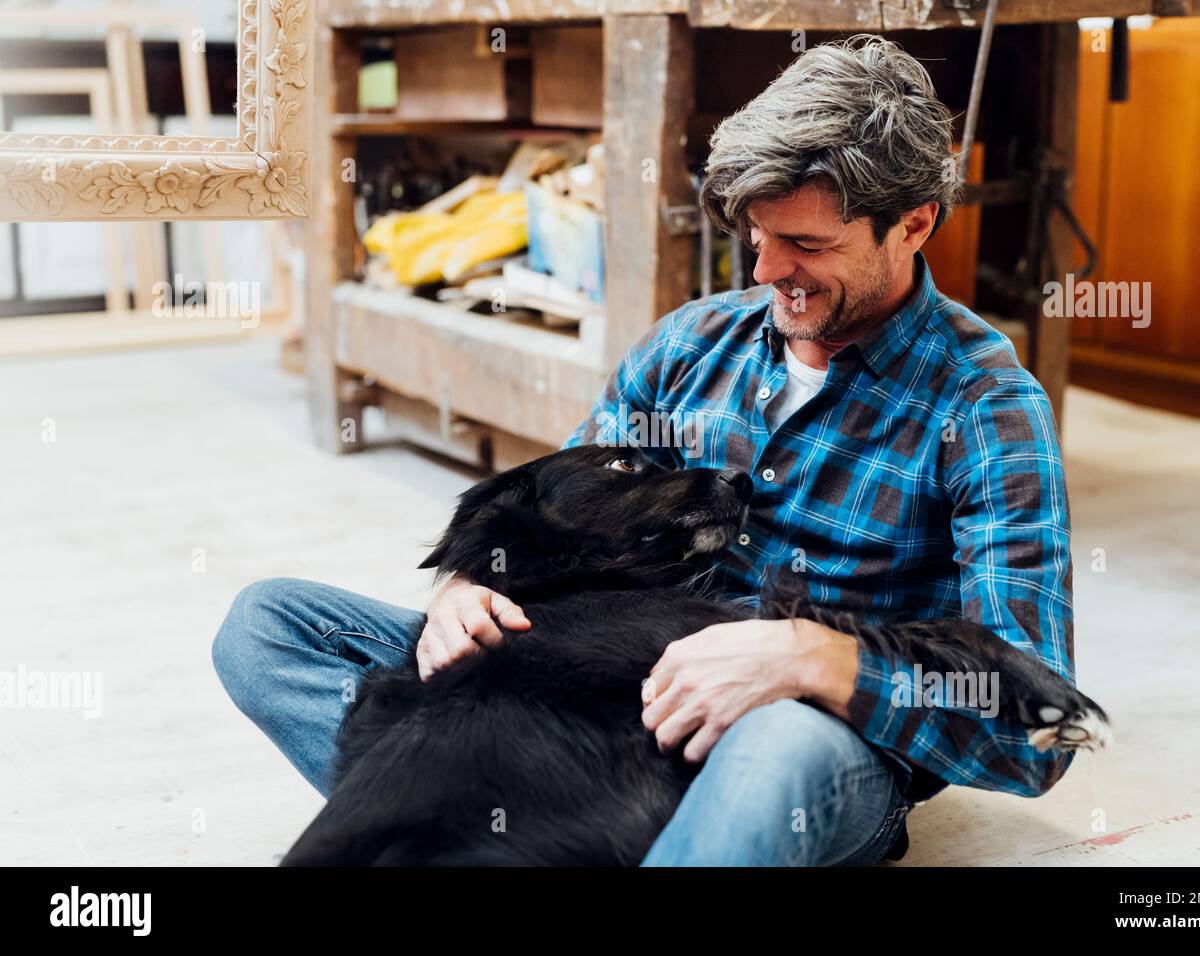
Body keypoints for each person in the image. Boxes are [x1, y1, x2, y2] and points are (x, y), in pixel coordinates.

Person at [213, 34, 1078, 867]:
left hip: (803, 735)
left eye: (808, 245)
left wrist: (813, 656)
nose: (766, 272)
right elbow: (552, 508)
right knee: (270, 625)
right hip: (594, 698)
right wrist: (466, 587)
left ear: (916, 224)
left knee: (777, 751)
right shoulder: (690, 344)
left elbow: (1036, 726)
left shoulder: (990, 411)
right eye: (756, 237)